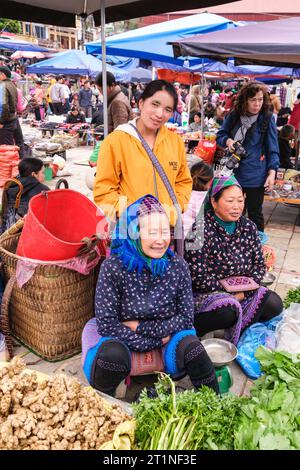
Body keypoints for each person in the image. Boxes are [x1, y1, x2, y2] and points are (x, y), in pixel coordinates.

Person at [81, 194, 219, 396]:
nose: (160, 240)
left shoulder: (177, 266)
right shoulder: (113, 267)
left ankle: (215, 404)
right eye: (152, 232)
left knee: (194, 349)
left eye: (165, 232)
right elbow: (107, 323)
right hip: (122, 335)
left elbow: (186, 318)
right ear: (134, 233)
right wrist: (152, 341)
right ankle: (104, 408)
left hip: (165, 334)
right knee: (111, 356)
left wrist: (142, 327)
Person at [184, 175, 283, 345]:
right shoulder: (198, 230)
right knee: (227, 312)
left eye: (240, 200)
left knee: (274, 304)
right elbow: (198, 277)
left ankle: (240, 328)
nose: (236, 207)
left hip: (245, 291)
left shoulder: (248, 227)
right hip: (208, 293)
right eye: (230, 201)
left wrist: (245, 292)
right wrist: (230, 293)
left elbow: (259, 265)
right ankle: (191, 331)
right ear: (214, 202)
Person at [93, 79, 192, 227]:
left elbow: (183, 181)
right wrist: (133, 214)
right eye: (155, 104)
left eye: (167, 109)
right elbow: (104, 190)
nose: (160, 114)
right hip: (131, 231)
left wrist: (174, 210)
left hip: (165, 230)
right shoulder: (116, 141)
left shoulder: (175, 142)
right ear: (141, 103)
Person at [216, 81, 280, 232]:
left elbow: (273, 148)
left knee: (255, 213)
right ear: (245, 100)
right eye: (253, 100)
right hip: (232, 173)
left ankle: (258, 247)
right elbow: (220, 135)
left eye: (260, 99)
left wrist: (272, 173)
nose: (257, 104)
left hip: (255, 175)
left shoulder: (266, 118)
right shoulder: (234, 115)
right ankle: (232, 243)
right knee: (232, 212)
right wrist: (229, 141)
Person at [1, 157, 49, 232]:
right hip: (23, 233)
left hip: (6, 229)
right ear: (33, 174)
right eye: (42, 173)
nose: (45, 176)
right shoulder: (42, 190)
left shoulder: (12, 184)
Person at [182, 161, 213, 238]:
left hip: (179, 237)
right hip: (197, 238)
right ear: (210, 182)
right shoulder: (209, 198)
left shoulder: (182, 194)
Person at [0, 65, 18, 147]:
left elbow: (4, 106)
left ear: (2, 74)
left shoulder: (3, 86)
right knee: (9, 146)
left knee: (6, 149)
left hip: (6, 122)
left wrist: (1, 121)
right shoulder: (12, 84)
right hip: (11, 119)